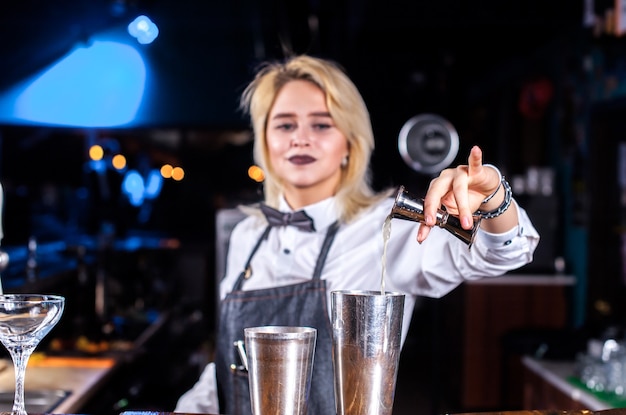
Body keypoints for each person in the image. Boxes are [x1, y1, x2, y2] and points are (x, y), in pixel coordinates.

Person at [175, 54, 540, 415]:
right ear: (266, 142)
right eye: (285, 125)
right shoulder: (247, 235)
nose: (300, 139)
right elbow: (230, 361)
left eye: (321, 125)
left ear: (350, 144)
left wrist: (492, 195)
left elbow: (504, 253)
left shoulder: (388, 224)